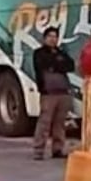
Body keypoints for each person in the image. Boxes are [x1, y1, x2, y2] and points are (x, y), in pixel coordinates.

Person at [31, 27, 75, 160]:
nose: (53, 39)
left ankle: (58, 149)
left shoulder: (61, 52)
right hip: (48, 93)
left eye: (55, 36)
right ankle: (39, 150)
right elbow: (44, 64)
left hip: (63, 92)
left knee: (60, 123)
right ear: (44, 38)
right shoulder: (39, 53)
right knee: (45, 122)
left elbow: (70, 66)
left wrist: (56, 64)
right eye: (50, 36)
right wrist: (57, 64)